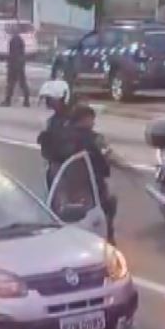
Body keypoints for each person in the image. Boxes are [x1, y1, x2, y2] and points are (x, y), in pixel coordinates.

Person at [59, 104, 117, 243]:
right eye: (92, 119)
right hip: (92, 183)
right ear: (84, 119)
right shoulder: (95, 138)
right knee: (109, 205)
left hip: (65, 184)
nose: (93, 122)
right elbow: (108, 156)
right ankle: (108, 238)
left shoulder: (62, 135)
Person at [37, 80, 71, 189]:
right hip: (56, 168)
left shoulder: (74, 118)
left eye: (50, 99)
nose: (48, 103)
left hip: (73, 171)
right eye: (47, 100)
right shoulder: (52, 121)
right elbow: (47, 152)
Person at [0, 28, 30, 108]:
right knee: (22, 83)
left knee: (11, 83)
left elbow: (14, 53)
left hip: (14, 64)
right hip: (20, 63)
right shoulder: (20, 39)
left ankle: (7, 101)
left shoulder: (14, 40)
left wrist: (9, 62)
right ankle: (27, 101)